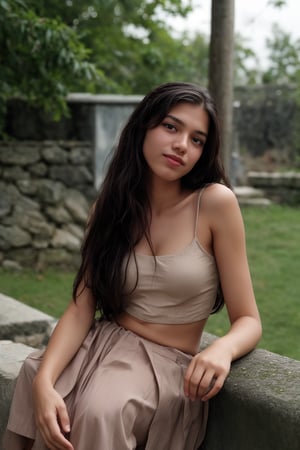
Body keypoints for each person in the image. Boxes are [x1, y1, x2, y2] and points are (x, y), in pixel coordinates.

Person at [3, 82, 262, 450]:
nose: (182, 145)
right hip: (100, 346)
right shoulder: (109, 208)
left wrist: (221, 349)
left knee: (101, 409)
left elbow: (249, 320)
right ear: (143, 127)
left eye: (197, 139)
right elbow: (82, 306)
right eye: (171, 127)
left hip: (164, 368)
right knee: (35, 378)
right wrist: (44, 381)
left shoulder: (215, 203)